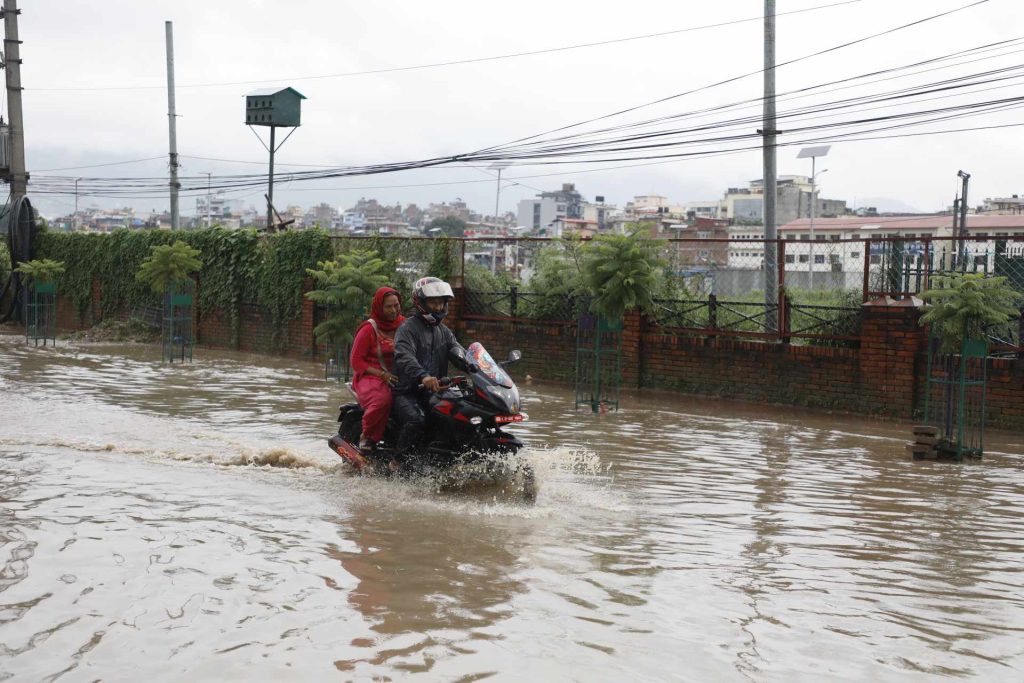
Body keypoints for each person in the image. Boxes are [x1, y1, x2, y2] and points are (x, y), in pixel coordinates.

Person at [391, 276, 477, 460]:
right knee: (417, 419)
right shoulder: (407, 329)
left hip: (435, 391)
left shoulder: (444, 332)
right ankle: (397, 462)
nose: (438, 308)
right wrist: (423, 376)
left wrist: (477, 368)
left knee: (461, 411)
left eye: (441, 303)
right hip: (408, 391)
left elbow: (459, 352)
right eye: (433, 303)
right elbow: (404, 356)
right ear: (421, 303)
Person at [349, 286, 405, 452]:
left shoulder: (405, 324)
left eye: (396, 305)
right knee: (383, 399)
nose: (394, 310)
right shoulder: (368, 329)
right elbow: (356, 361)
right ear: (379, 307)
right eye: (388, 306)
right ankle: (367, 437)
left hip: (399, 375)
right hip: (370, 376)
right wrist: (382, 375)